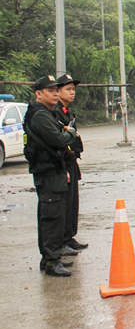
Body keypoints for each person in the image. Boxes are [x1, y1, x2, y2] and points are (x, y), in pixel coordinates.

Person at [23, 75, 80, 277]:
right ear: (39, 94)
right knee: (52, 216)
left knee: (55, 215)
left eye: (57, 90)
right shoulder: (39, 115)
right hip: (47, 172)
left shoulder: (44, 113)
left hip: (53, 169)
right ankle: (51, 261)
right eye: (50, 91)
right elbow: (58, 138)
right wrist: (71, 133)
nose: (55, 93)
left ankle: (51, 257)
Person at [53, 74, 88, 252]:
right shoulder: (56, 113)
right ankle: (63, 240)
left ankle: (70, 236)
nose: (72, 92)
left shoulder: (68, 112)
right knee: (64, 203)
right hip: (63, 162)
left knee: (73, 201)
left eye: (73, 89)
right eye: (68, 89)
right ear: (58, 92)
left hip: (71, 160)